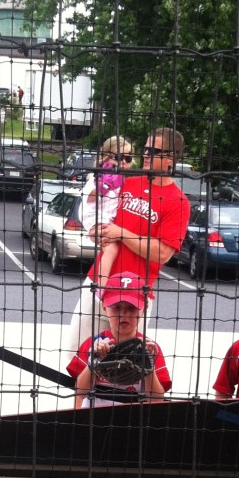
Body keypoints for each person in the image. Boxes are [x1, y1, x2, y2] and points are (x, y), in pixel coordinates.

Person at [66, 127, 191, 359]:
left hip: (135, 296)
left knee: (127, 365)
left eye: (153, 151)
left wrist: (121, 233)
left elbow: (162, 253)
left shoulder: (178, 202)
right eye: (144, 149)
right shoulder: (127, 182)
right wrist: (96, 232)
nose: (145, 154)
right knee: (78, 355)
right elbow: (99, 209)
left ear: (170, 158)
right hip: (98, 284)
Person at [68, 271, 171, 409]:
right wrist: (93, 364)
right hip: (94, 420)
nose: (124, 314)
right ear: (104, 307)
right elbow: (80, 392)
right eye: (117, 308)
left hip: (133, 421)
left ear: (144, 309)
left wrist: (148, 368)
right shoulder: (93, 343)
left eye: (131, 308)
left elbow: (157, 400)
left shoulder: (149, 347)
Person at [79, 136, 135, 282]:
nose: (123, 161)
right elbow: (88, 198)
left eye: (128, 159)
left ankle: (108, 280)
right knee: (112, 249)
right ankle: (101, 286)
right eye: (119, 157)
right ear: (107, 157)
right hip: (95, 217)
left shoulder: (124, 180)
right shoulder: (99, 176)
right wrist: (105, 184)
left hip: (110, 221)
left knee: (115, 249)